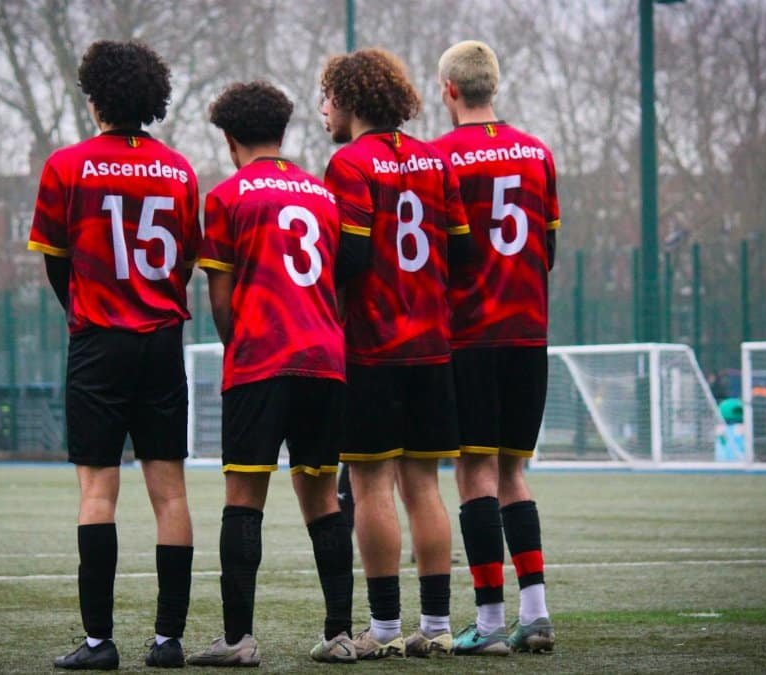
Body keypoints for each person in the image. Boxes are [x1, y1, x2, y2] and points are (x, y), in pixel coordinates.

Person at [27, 40, 199, 671]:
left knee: (98, 491)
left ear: (95, 95)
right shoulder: (180, 170)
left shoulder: (66, 166)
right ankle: (168, 641)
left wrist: (84, 307)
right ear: (152, 98)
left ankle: (99, 643)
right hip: (160, 339)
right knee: (170, 493)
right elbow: (183, 260)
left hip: (99, 339)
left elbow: (56, 259)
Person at [186, 81, 355, 667]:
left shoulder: (228, 196)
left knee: (244, 497)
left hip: (261, 361)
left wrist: (245, 346)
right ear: (282, 132)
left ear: (231, 140)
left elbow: (221, 301)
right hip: (325, 362)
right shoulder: (323, 196)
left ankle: (238, 640)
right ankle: (340, 634)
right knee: (322, 498)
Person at [319, 48, 472, 659]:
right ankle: (435, 627)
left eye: (327, 97)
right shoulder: (437, 160)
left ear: (352, 101)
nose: (324, 109)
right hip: (433, 347)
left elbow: (351, 259)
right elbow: (460, 254)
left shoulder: (348, 164)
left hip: (372, 348)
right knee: (425, 487)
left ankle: (382, 630)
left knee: (371, 485)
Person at [429, 40, 560, 654]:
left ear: (450, 90)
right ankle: (535, 614)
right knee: (514, 471)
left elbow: (433, 255)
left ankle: (486, 624)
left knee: (474, 470)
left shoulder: (439, 158)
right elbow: (549, 251)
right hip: (528, 330)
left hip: (470, 332)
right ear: (494, 86)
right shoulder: (538, 153)